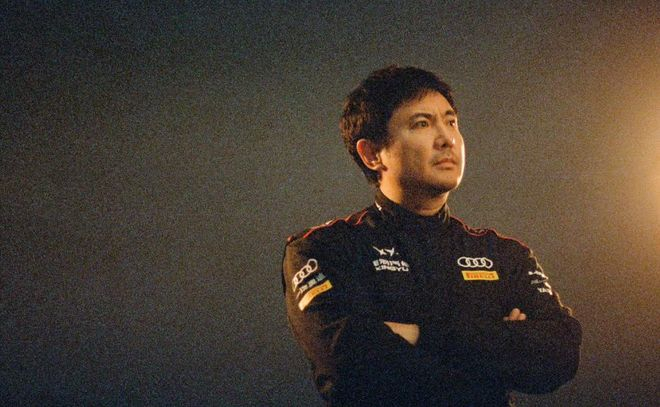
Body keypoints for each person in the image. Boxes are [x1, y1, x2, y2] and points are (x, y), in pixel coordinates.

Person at [281, 65, 582, 406]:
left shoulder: (502, 253)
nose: (447, 139)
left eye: (451, 122)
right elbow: (349, 364)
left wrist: (417, 334)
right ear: (372, 154)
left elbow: (561, 353)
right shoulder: (324, 248)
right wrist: (500, 342)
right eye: (422, 124)